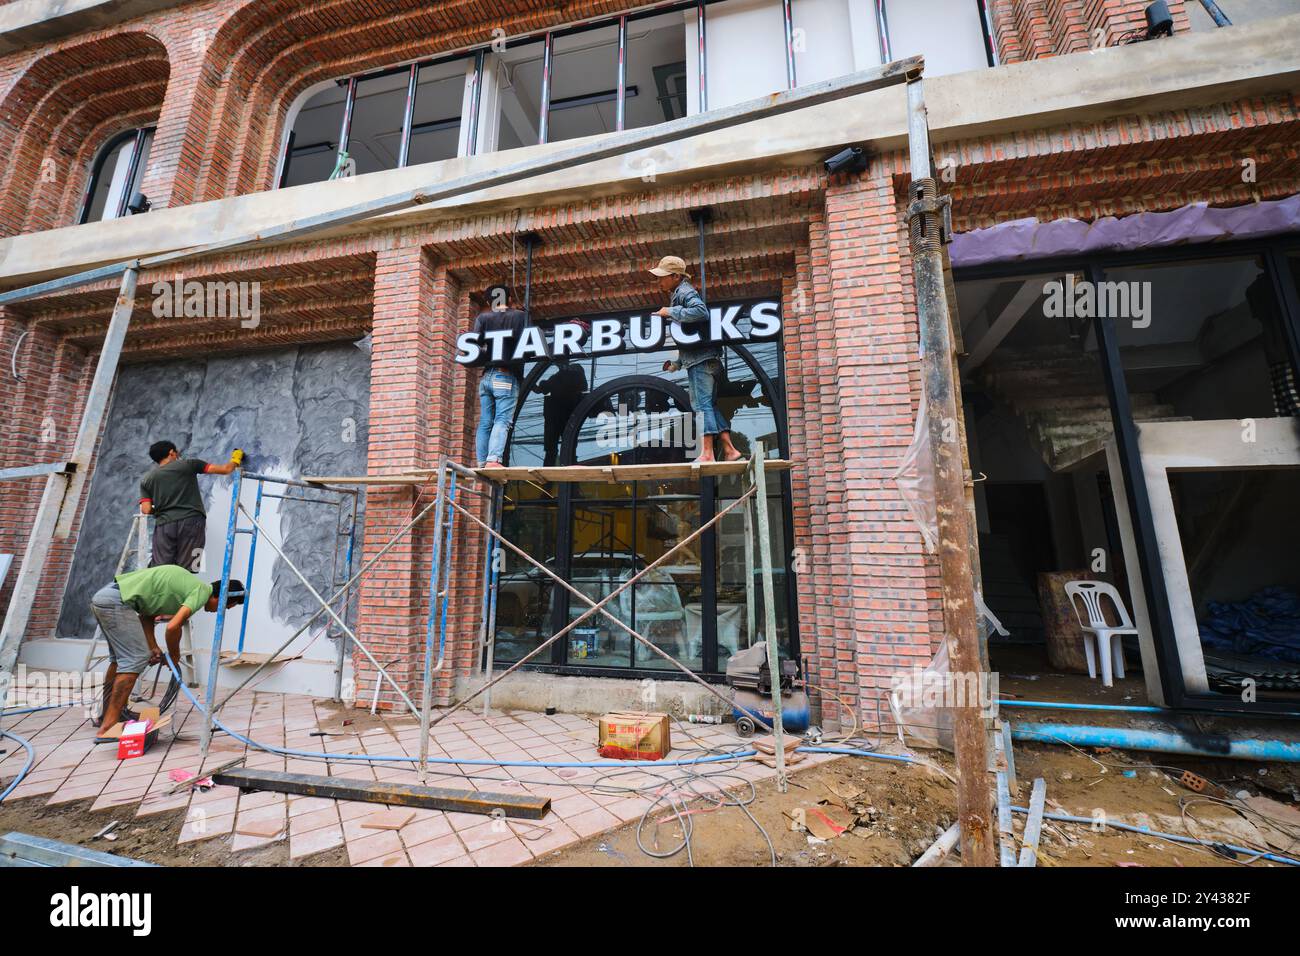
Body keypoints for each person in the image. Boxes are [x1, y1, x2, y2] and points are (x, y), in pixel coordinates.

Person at [89, 565, 245, 741]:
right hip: (116, 602)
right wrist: (174, 655)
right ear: (221, 598)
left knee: (119, 660)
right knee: (135, 659)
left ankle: (109, 714)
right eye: (225, 607)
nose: (220, 611)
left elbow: (146, 615)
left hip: (106, 596)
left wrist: (153, 646)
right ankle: (108, 727)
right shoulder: (200, 592)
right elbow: (173, 627)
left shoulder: (188, 586)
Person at [652, 255, 742, 463]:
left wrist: (670, 311)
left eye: (663, 276)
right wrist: (677, 364)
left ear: (675, 276)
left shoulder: (684, 291)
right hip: (700, 360)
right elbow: (692, 340)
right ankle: (730, 450)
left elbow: (701, 312)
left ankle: (708, 453)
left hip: (702, 362)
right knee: (707, 405)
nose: (659, 281)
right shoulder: (678, 293)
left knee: (701, 407)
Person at [139, 441, 242, 571]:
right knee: (190, 568)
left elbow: (146, 509)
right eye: (177, 453)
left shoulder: (147, 479)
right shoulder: (189, 464)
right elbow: (225, 470)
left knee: (160, 569)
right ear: (171, 452)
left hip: (164, 526)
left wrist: (163, 507)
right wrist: (236, 458)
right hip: (193, 523)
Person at [471, 284, 528, 468]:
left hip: (486, 377)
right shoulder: (520, 316)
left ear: (489, 301)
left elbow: (474, 346)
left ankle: (482, 460)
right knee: (502, 419)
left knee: (485, 420)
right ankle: (493, 460)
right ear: (510, 298)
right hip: (505, 375)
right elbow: (530, 342)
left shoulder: (482, 318)